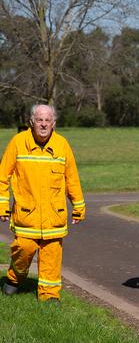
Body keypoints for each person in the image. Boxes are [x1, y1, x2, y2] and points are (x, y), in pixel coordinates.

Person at [0, 104, 86, 302]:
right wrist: (2, 206)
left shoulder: (62, 145)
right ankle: (15, 276)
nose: (44, 124)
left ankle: (49, 295)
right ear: (31, 122)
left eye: (48, 120)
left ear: (54, 123)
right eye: (39, 120)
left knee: (52, 256)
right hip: (26, 215)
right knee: (24, 249)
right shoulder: (18, 142)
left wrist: (78, 206)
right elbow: (3, 177)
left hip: (53, 216)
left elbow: (72, 179)